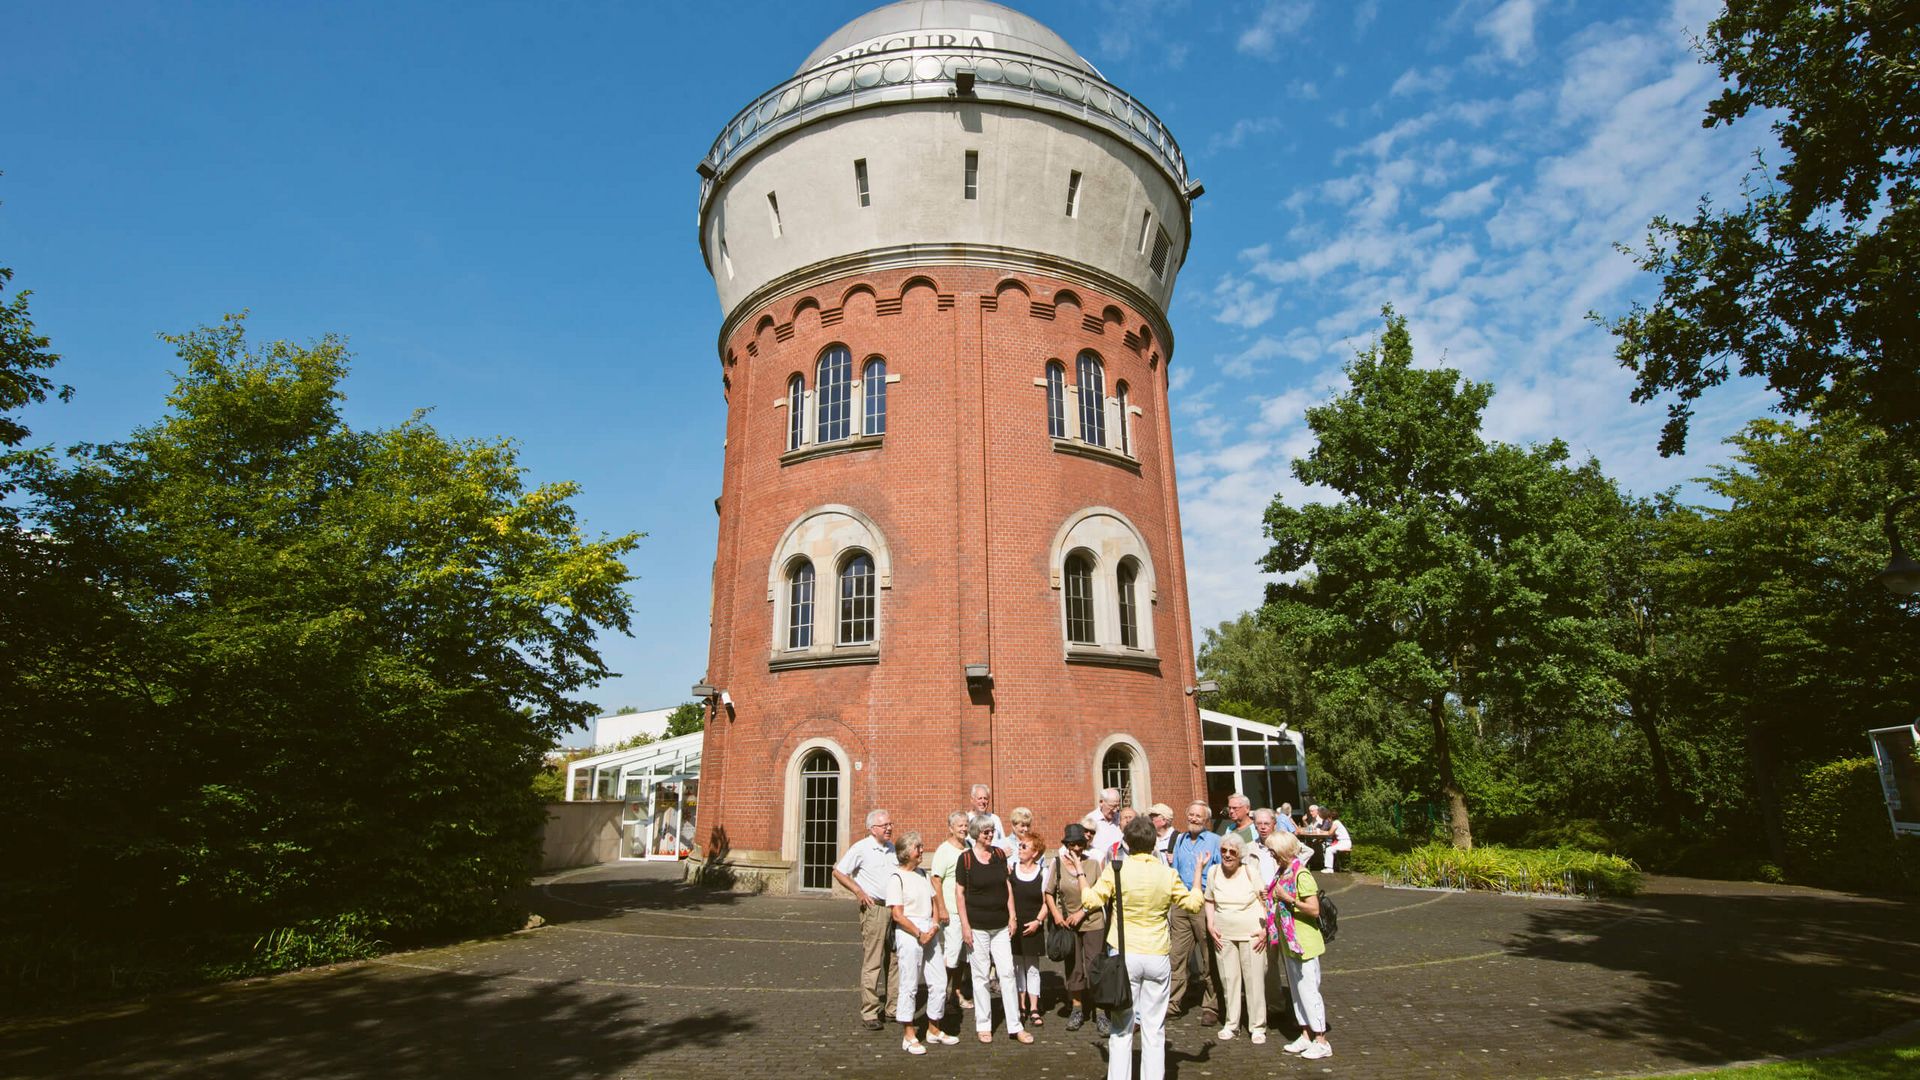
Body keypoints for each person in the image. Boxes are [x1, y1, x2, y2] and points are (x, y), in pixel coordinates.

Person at [1082, 815, 1204, 1080]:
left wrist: (1080, 874)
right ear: (1153, 844)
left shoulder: (1117, 869)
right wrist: (1197, 875)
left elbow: (1090, 900)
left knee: (1122, 1028)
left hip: (1125, 955)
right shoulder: (1166, 873)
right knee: (1154, 1027)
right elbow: (1194, 904)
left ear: (1126, 842)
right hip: (1157, 954)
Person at [955, 815, 1031, 1043]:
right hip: (977, 926)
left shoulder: (998, 855)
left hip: (1000, 925)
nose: (990, 835)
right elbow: (959, 893)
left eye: (991, 831)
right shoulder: (966, 859)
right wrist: (965, 925)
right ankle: (983, 1024)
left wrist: (1013, 916)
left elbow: (1006, 885)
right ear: (976, 834)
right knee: (980, 976)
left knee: (1007, 973)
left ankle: (1015, 1025)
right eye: (986, 832)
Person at [1264, 831, 1334, 1060]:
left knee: (1309, 990)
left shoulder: (1300, 874)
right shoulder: (1282, 872)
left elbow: (1314, 909)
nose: (1271, 854)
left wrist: (1288, 899)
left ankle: (1321, 1040)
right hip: (1289, 942)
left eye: (1273, 850)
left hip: (1304, 941)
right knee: (1296, 990)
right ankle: (1305, 1034)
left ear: (1283, 850)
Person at [888, 831, 958, 1053]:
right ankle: (909, 1035)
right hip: (909, 932)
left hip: (929, 929)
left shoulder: (923, 874)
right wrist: (919, 933)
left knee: (939, 981)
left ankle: (934, 1028)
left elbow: (934, 902)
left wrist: (935, 926)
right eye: (918, 848)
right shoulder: (896, 878)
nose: (921, 851)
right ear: (906, 852)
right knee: (909, 984)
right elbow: (897, 915)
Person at [832, 808, 901, 1031]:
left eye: (890, 824)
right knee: (873, 961)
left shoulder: (892, 848)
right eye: (884, 825)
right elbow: (839, 871)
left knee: (895, 960)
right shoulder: (861, 848)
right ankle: (870, 1011)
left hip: (894, 909)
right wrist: (859, 892)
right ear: (872, 829)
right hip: (875, 910)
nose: (889, 828)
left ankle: (893, 1007)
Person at [1205, 833, 1267, 1044]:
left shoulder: (1250, 872)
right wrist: (1210, 924)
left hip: (1251, 934)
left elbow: (1265, 900)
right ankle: (1232, 1023)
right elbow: (1209, 900)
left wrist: (1265, 929)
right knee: (1228, 980)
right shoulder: (1213, 871)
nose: (1227, 855)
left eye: (1232, 851)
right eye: (1223, 851)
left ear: (1240, 854)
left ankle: (1257, 1026)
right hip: (1224, 935)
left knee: (1254, 980)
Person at [1046, 823, 1107, 1034]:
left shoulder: (1093, 865)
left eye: (1080, 844)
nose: (1077, 849)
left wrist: (1082, 912)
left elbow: (1100, 894)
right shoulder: (1057, 864)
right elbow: (1049, 893)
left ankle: (1100, 1011)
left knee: (1095, 965)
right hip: (1068, 925)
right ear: (1066, 845)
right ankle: (1077, 1008)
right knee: (1074, 967)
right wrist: (1056, 915)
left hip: (1092, 921)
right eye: (1072, 844)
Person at [1167, 800, 1223, 1024]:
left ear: (1206, 819)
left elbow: (1221, 870)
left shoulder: (1215, 841)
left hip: (1204, 904)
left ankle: (1212, 1005)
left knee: (1209, 955)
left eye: (1198, 815)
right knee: (1176, 955)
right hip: (1181, 903)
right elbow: (1176, 870)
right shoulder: (1180, 839)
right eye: (1190, 814)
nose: (1193, 818)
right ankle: (1173, 1002)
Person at [926, 809, 973, 1011]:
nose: (963, 828)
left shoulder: (969, 846)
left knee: (964, 956)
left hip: (968, 910)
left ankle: (956, 992)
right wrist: (942, 908)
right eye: (959, 825)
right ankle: (941, 995)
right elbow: (936, 880)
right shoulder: (944, 850)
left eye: (965, 825)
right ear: (951, 829)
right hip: (952, 911)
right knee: (951, 956)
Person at [1010, 831, 1052, 1028]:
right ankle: (1021, 1005)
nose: (1020, 849)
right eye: (1019, 845)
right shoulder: (1012, 870)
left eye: (1024, 846)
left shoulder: (1043, 873)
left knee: (1033, 968)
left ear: (1035, 852)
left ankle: (1034, 1007)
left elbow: (1047, 902)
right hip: (1015, 926)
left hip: (1033, 925)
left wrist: (1038, 921)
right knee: (1018, 967)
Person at [1090, 787, 1125, 860]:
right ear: (1101, 802)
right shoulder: (1091, 820)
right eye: (1112, 806)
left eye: (1118, 805)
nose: (1116, 810)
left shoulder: (1120, 818)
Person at [1249, 809, 1280, 885]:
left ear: (1274, 825)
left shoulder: (1284, 844)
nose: (1263, 827)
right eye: (1259, 823)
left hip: (1281, 893)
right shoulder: (1248, 848)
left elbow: (1307, 851)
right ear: (1255, 826)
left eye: (1267, 823)